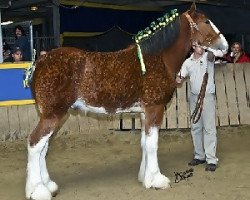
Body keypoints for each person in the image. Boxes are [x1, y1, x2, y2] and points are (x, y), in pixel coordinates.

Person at [176, 42, 226, 172]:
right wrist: (177, 78)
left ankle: (211, 159)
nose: (202, 48)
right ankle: (199, 155)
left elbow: (222, 51)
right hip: (194, 97)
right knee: (196, 127)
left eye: (203, 46)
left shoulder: (208, 57)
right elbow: (180, 78)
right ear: (193, 46)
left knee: (209, 128)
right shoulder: (188, 62)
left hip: (207, 96)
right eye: (200, 46)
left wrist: (208, 47)